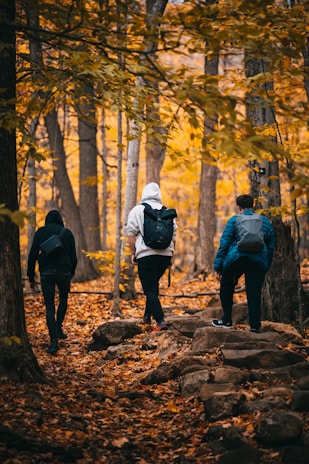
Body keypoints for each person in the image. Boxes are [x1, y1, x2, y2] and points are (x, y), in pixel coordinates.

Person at [212, 194, 275, 333]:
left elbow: (224, 243)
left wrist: (218, 266)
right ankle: (254, 326)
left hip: (237, 259)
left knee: (227, 285)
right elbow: (270, 246)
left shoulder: (234, 220)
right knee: (254, 293)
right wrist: (266, 264)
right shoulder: (264, 221)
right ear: (253, 205)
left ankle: (227, 319)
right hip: (258, 261)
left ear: (239, 207)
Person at [126, 183, 177, 332]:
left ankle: (160, 320)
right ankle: (147, 316)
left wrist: (133, 253)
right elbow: (173, 237)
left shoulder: (137, 210)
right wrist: (171, 256)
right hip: (165, 255)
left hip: (146, 255)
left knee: (149, 289)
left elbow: (131, 234)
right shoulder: (167, 212)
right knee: (152, 285)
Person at [27, 210, 77, 354]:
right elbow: (74, 257)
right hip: (64, 272)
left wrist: (31, 276)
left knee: (49, 306)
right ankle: (58, 327)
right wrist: (71, 272)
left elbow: (32, 256)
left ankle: (53, 341)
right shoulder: (67, 233)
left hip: (46, 272)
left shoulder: (40, 232)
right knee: (63, 298)